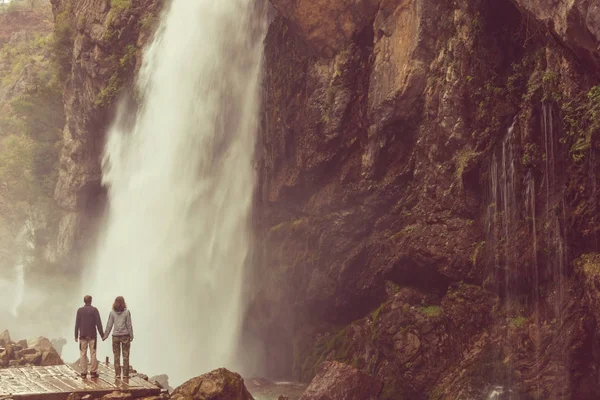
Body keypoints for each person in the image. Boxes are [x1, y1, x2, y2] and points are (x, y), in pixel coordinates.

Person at [103, 296, 134, 378]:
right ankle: (125, 375)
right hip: (125, 336)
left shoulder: (112, 312)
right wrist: (131, 335)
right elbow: (129, 325)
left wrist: (105, 336)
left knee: (116, 356)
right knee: (126, 356)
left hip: (115, 336)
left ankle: (117, 374)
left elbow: (109, 325)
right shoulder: (127, 312)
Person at [74, 295, 105, 379]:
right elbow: (98, 324)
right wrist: (102, 335)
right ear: (91, 301)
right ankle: (93, 372)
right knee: (93, 353)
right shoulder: (94, 310)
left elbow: (77, 323)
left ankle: (83, 373)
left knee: (83, 353)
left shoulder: (80, 310)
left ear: (84, 301)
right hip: (92, 335)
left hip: (83, 335)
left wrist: (76, 335)